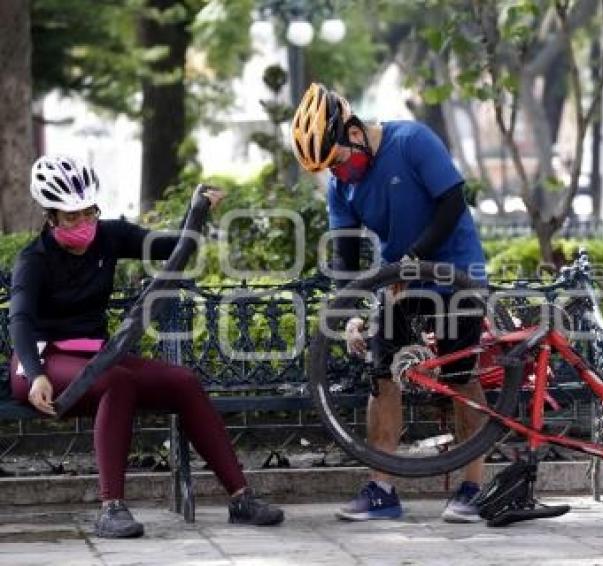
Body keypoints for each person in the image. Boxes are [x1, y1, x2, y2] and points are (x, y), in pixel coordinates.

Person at [9, 155, 284, 538]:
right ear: (51, 216)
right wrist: (37, 375)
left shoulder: (109, 236)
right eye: (71, 217)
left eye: (88, 213)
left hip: (99, 357)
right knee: (117, 381)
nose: (83, 225)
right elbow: (19, 322)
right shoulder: (33, 260)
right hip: (40, 363)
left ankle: (241, 499)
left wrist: (197, 210)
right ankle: (111, 508)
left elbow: (174, 248)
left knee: (184, 381)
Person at [291, 83, 488, 523]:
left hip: (454, 274)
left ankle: (473, 487)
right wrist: (351, 317)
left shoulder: (411, 140)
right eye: (328, 170)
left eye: (338, 160)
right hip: (397, 283)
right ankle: (382, 489)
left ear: (354, 131)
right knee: (382, 378)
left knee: (460, 379)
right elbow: (345, 259)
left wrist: (414, 260)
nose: (339, 174)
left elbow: (453, 201)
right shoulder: (341, 190)